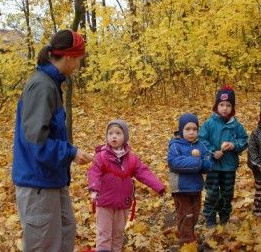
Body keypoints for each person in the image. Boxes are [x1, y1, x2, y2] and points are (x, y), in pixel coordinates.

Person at [12, 30, 93, 252]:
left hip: (52, 178)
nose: (78, 65)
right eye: (78, 59)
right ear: (68, 57)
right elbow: (36, 143)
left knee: (66, 231)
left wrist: (70, 152)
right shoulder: (42, 86)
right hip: (37, 182)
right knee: (45, 245)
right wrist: (71, 153)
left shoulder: (52, 83)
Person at [88, 120, 165, 252]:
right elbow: (94, 172)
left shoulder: (132, 159)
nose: (114, 136)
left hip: (123, 204)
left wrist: (158, 186)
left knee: (118, 234)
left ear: (125, 137)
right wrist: (94, 189)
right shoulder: (101, 156)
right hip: (105, 202)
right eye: (110, 133)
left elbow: (143, 172)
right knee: (104, 234)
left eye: (118, 133)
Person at [199, 85, 248, 227]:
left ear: (232, 107)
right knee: (212, 193)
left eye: (228, 105)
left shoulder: (236, 125)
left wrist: (234, 145)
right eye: (221, 105)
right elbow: (202, 141)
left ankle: (225, 217)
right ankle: (210, 218)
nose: (225, 108)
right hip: (213, 166)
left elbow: (244, 140)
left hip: (229, 166)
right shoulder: (209, 123)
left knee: (227, 193)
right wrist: (212, 152)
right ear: (216, 106)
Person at [167, 113, 213, 246]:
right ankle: (186, 242)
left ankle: (189, 235)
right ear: (181, 130)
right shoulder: (175, 145)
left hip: (196, 187)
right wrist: (197, 161)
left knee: (195, 213)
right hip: (181, 188)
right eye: (188, 129)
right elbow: (175, 163)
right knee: (186, 214)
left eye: (194, 129)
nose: (191, 132)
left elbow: (208, 162)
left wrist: (205, 163)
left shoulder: (200, 145)